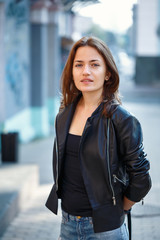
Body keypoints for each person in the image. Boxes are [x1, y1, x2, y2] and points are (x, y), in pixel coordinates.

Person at [46, 36, 151, 240]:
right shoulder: (64, 115)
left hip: (106, 229)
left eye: (94, 65)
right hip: (67, 223)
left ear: (107, 74)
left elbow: (141, 179)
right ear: (72, 72)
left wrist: (118, 210)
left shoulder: (122, 120)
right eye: (79, 65)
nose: (86, 71)